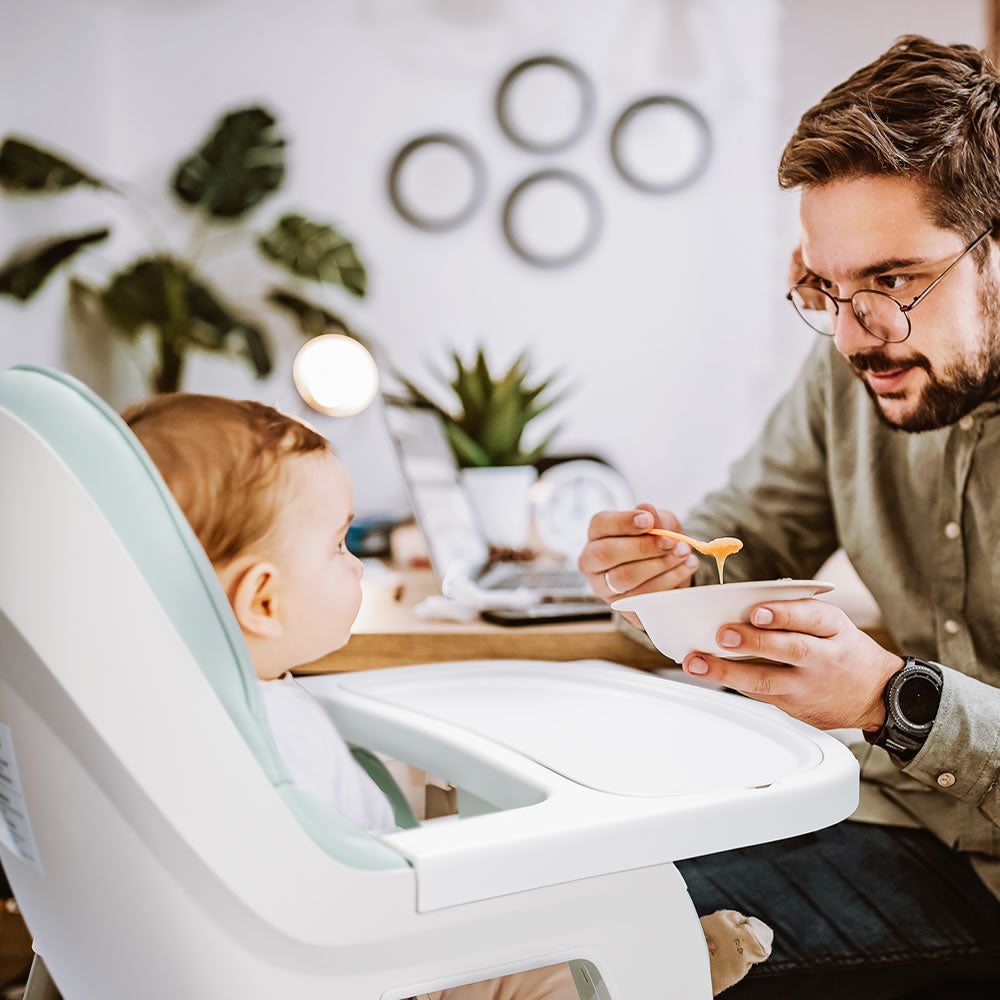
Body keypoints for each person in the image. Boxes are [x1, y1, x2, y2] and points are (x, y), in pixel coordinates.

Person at [578, 34, 1000, 998]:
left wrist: (894, 703)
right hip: (889, 817)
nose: (857, 336)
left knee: (608, 951)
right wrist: (659, 577)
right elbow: (740, 539)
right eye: (827, 288)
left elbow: (897, 702)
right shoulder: (852, 375)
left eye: (894, 282)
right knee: (561, 890)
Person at [123, 392, 771, 998]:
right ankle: (660, 971)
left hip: (264, 955)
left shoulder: (167, 708)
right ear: (263, 601)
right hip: (376, 965)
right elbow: (353, 891)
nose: (358, 566)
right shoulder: (270, 750)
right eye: (339, 546)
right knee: (550, 940)